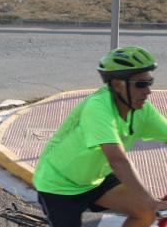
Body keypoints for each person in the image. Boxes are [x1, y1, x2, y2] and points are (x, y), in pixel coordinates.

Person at [33, 46, 167, 227]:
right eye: (141, 84)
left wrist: (149, 204)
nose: (148, 91)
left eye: (149, 83)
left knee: (145, 211)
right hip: (59, 185)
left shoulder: (142, 110)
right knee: (148, 204)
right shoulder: (98, 107)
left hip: (97, 180)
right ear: (118, 84)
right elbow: (117, 159)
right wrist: (150, 200)